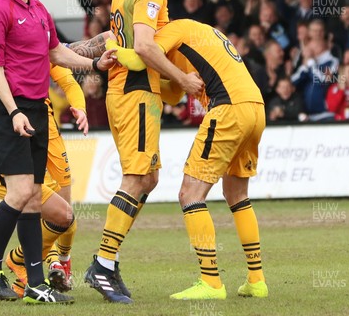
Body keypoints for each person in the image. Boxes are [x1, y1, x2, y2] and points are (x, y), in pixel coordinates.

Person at [68, 0, 204, 304]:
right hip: (135, 91)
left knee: (150, 177)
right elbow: (144, 46)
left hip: (132, 91)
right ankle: (102, 264)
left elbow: (123, 39)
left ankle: (106, 263)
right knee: (138, 177)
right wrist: (182, 79)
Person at [0, 0, 117, 304]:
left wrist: (94, 64)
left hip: (38, 109)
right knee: (21, 193)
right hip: (11, 110)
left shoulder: (39, 8)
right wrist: (13, 111)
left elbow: (57, 52)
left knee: (34, 200)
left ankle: (36, 283)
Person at [113, 18, 267, 300]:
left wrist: (114, 48)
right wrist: (161, 76)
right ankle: (256, 280)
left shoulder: (170, 31)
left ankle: (211, 282)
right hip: (254, 106)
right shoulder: (198, 34)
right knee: (236, 194)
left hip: (228, 108)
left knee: (190, 194)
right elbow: (174, 93)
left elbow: (139, 56)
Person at [0, 38, 83, 297]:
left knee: (65, 218)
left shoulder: (32, 41)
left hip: (40, 143)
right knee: (51, 211)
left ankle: (38, 275)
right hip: (5, 147)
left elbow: (66, 75)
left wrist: (81, 104)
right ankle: (4, 269)